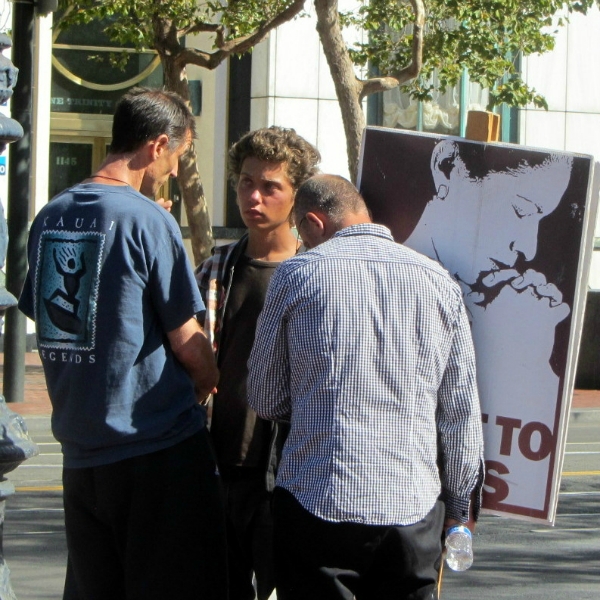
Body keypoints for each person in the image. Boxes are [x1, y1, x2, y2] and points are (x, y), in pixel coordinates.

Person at [18, 87, 227, 600]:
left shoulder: (51, 215)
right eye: (178, 157)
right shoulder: (147, 219)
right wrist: (210, 380)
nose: (176, 171)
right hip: (154, 446)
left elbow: (47, 318)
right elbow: (187, 341)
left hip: (81, 448)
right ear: (157, 146)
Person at [247, 174, 484, 600]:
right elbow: (460, 414)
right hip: (412, 510)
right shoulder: (438, 283)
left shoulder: (296, 276)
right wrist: (460, 508)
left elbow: (264, 396)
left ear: (314, 223)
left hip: (316, 500)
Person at [403, 139, 573, 512]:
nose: (527, 248)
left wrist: (532, 362)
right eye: (520, 210)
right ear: (448, 168)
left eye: (541, 219)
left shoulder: (502, 305)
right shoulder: (380, 295)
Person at [196, 126, 320, 600]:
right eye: (247, 182)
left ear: (296, 196)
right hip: (217, 465)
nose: (255, 196)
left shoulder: (317, 275)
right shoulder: (215, 269)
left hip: (286, 473)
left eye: (271, 187)